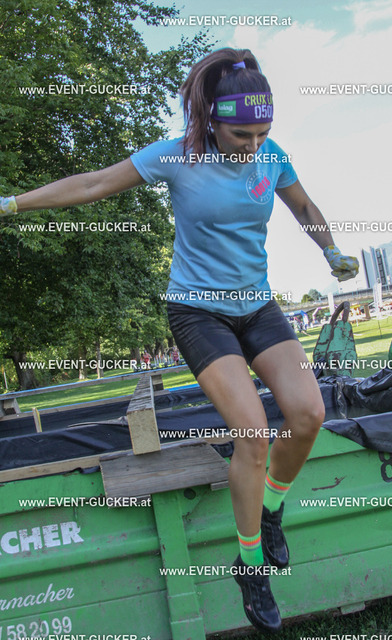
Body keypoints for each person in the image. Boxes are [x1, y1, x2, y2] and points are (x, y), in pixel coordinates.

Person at [0, 47, 359, 634]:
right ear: (212, 120)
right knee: (252, 434)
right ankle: (249, 566)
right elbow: (94, 183)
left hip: (257, 306)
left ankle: (271, 508)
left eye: (262, 134)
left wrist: (331, 249)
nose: (253, 146)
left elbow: (304, 206)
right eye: (242, 135)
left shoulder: (271, 156)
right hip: (198, 313)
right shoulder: (176, 156)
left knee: (309, 412)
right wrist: (13, 203)